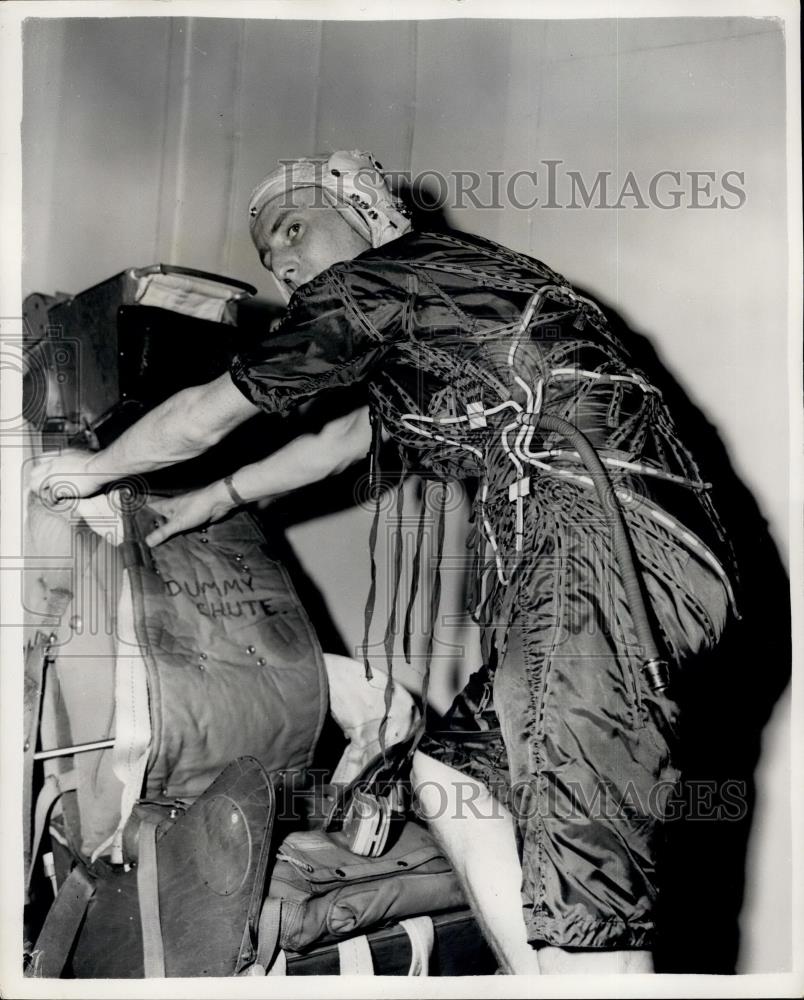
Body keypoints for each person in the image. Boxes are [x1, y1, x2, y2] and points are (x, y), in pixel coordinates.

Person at [32, 150, 740, 975]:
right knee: (455, 768)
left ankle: (586, 968)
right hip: (612, 561)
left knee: (589, 893)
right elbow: (346, 440)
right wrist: (214, 501)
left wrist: (92, 468)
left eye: (294, 228)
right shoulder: (442, 306)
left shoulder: (388, 277)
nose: (285, 262)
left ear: (366, 207)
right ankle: (548, 975)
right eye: (270, 255)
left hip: (600, 546)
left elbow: (203, 416)